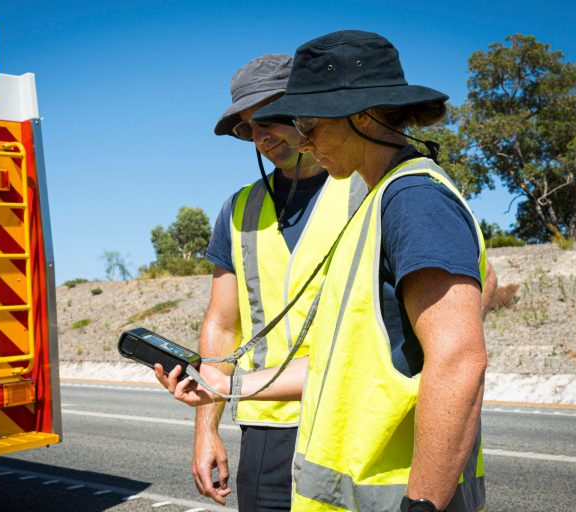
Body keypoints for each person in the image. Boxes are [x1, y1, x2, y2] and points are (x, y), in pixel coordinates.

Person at [158, 31, 490, 512]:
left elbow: (458, 358)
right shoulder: (367, 200)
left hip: (391, 471)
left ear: (360, 115)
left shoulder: (408, 199)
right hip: (321, 448)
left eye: (304, 121)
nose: (301, 137)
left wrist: (424, 504)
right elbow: (341, 358)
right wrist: (224, 388)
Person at [195, 53, 366, 510]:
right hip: (267, 427)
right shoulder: (239, 209)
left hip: (351, 420)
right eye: (249, 127)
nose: (262, 135)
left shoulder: (367, 186)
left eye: (271, 116)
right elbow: (222, 325)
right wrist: (205, 428)